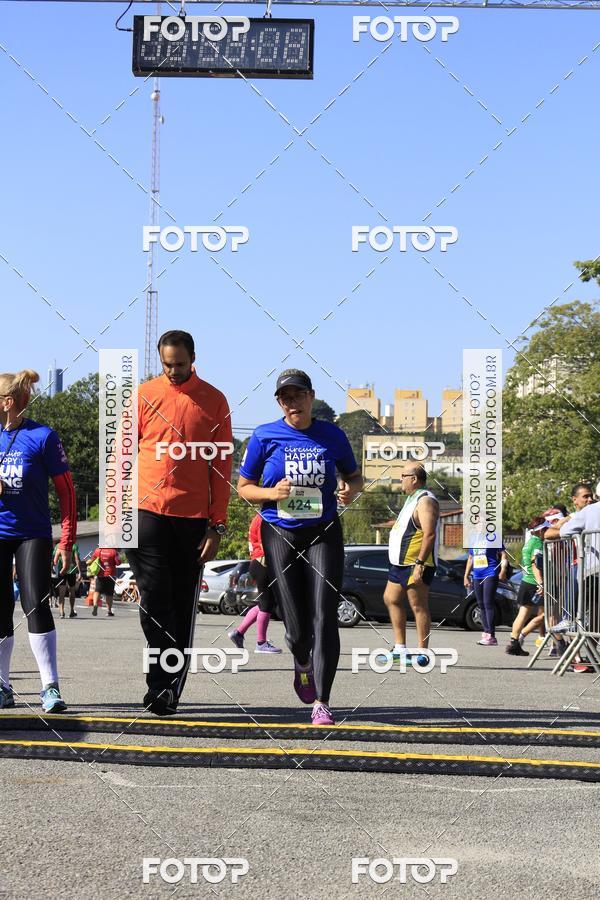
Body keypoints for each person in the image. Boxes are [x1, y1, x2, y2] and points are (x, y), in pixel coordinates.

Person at [238, 369, 363, 726]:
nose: (292, 403)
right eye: (285, 398)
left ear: (311, 396)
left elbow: (354, 477)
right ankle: (302, 659)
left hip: (323, 531)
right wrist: (271, 493)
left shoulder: (332, 435)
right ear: (280, 403)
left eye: (298, 396)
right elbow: (244, 486)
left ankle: (322, 702)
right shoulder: (264, 436)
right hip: (280, 531)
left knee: (325, 615)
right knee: (295, 628)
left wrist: (351, 489)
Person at [127, 330, 233, 716]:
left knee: (180, 603)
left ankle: (167, 688)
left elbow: (222, 469)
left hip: (191, 519)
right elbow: (121, 457)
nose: (173, 371)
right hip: (146, 510)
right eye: (167, 364)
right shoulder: (142, 395)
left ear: (194, 358)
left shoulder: (214, 401)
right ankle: (159, 681)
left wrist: (216, 525)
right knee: (155, 599)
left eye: (180, 364)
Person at [0, 369, 75, 711]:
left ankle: (50, 687)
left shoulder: (43, 437)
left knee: (34, 603)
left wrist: (68, 539)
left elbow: (67, 491)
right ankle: (3, 687)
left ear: (8, 402)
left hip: (32, 534)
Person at [381, 463, 440, 665]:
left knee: (418, 605)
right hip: (399, 563)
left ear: (414, 479)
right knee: (391, 598)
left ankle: (423, 652)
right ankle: (400, 648)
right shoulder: (411, 499)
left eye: (403, 476)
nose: (401, 480)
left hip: (415, 562)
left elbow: (429, 534)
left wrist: (420, 563)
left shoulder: (425, 501)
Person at [228, 513, 281, 653]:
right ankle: (261, 643)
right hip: (263, 562)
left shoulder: (259, 517)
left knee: (266, 602)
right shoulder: (266, 518)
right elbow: (267, 545)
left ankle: (238, 633)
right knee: (267, 603)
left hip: (257, 562)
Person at [506, 516, 547, 656]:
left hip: (526, 581)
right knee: (546, 615)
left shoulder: (528, 543)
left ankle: (514, 642)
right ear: (541, 531)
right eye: (546, 529)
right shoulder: (537, 543)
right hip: (534, 583)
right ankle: (560, 644)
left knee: (523, 613)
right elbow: (536, 563)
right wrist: (540, 583)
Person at [464, 544, 509, 646]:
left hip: (490, 573)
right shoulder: (473, 539)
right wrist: (465, 576)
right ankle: (486, 633)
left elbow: (504, 554)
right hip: (477, 576)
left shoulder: (493, 537)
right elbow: (471, 558)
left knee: (488, 603)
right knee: (481, 604)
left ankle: (491, 635)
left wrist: (503, 570)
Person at [54, 540, 83, 618]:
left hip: (61, 571)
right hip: (71, 571)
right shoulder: (73, 545)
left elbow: (54, 559)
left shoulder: (58, 546)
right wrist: (80, 572)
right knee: (72, 591)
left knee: (62, 592)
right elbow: (77, 559)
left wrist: (52, 570)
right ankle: (71, 611)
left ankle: (61, 612)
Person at [90, 546, 121, 616]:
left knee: (97, 591)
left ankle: (95, 605)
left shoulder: (98, 550)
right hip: (110, 574)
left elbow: (92, 560)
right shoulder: (113, 551)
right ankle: (109, 611)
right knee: (109, 594)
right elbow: (118, 562)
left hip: (100, 574)